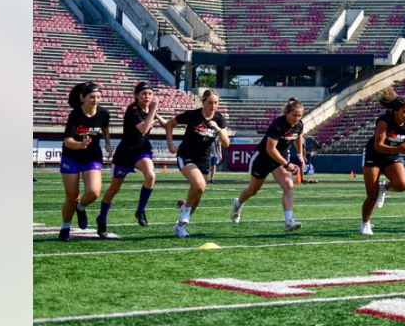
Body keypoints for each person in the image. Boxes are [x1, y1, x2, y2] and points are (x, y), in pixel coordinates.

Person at [99, 81, 165, 236]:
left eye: (150, 93)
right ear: (136, 95)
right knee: (114, 188)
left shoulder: (149, 109)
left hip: (141, 151)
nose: (147, 97)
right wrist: (154, 111)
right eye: (143, 94)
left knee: (151, 175)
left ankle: (140, 210)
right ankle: (102, 219)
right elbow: (143, 129)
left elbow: (166, 124)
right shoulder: (132, 110)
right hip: (125, 154)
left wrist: (169, 137)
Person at [162, 90, 231, 238]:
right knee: (199, 185)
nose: (213, 106)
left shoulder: (219, 119)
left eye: (216, 103)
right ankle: (185, 210)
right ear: (203, 101)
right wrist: (170, 144)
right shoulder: (193, 115)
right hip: (186, 156)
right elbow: (169, 124)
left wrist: (217, 128)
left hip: (203, 160)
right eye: (210, 102)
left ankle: (180, 226)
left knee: (197, 197)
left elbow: (226, 143)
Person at [231, 98, 306, 231]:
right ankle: (238, 204)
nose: (297, 118)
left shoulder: (299, 125)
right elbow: (270, 149)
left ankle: (289, 221)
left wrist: (300, 155)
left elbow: (299, 136)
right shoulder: (278, 124)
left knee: (289, 185)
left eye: (299, 115)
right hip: (263, 158)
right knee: (253, 190)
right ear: (287, 113)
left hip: (279, 159)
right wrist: (287, 163)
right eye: (294, 115)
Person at [58, 82, 112, 241]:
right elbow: (68, 141)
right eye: (92, 97)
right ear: (83, 98)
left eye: (98, 97)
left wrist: (108, 144)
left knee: (94, 192)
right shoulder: (75, 115)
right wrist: (80, 145)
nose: (95, 100)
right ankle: (65, 226)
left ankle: (81, 208)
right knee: (71, 198)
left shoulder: (103, 113)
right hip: (71, 156)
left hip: (92, 156)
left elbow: (105, 127)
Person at [360, 87, 405, 235]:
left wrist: (402, 148)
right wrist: (398, 149)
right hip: (374, 154)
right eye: (404, 112)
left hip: (390, 155)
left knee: (402, 184)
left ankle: (384, 188)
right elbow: (378, 146)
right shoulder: (384, 121)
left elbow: (401, 142)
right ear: (395, 111)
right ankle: (365, 223)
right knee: (372, 195)